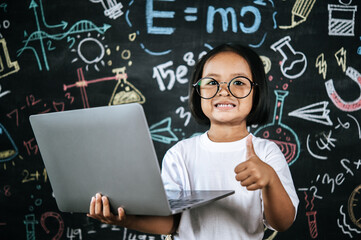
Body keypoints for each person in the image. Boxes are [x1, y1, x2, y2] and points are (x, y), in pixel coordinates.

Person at [87, 43, 299, 239]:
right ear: (197, 92)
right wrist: (126, 219)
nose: (224, 91)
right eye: (212, 82)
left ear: (258, 91)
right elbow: (172, 223)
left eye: (239, 82)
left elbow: (282, 222)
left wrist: (270, 180)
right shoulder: (180, 154)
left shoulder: (267, 152)